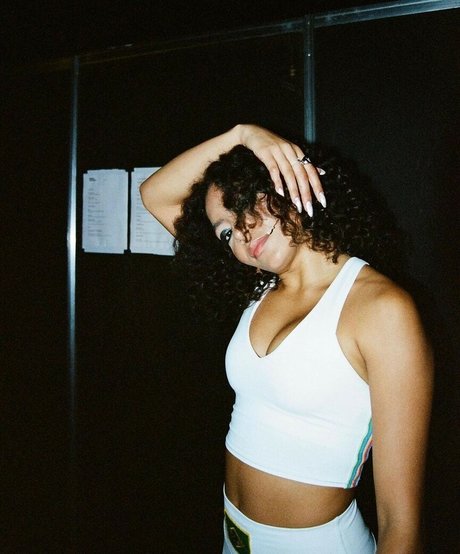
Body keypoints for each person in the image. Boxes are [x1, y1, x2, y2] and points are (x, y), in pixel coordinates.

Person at [140, 124, 433, 553]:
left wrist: (257, 144)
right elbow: (154, 195)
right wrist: (243, 136)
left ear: (290, 180)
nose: (242, 232)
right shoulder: (258, 289)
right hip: (234, 537)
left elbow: (400, 522)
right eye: (225, 232)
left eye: (247, 202)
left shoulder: (381, 309)